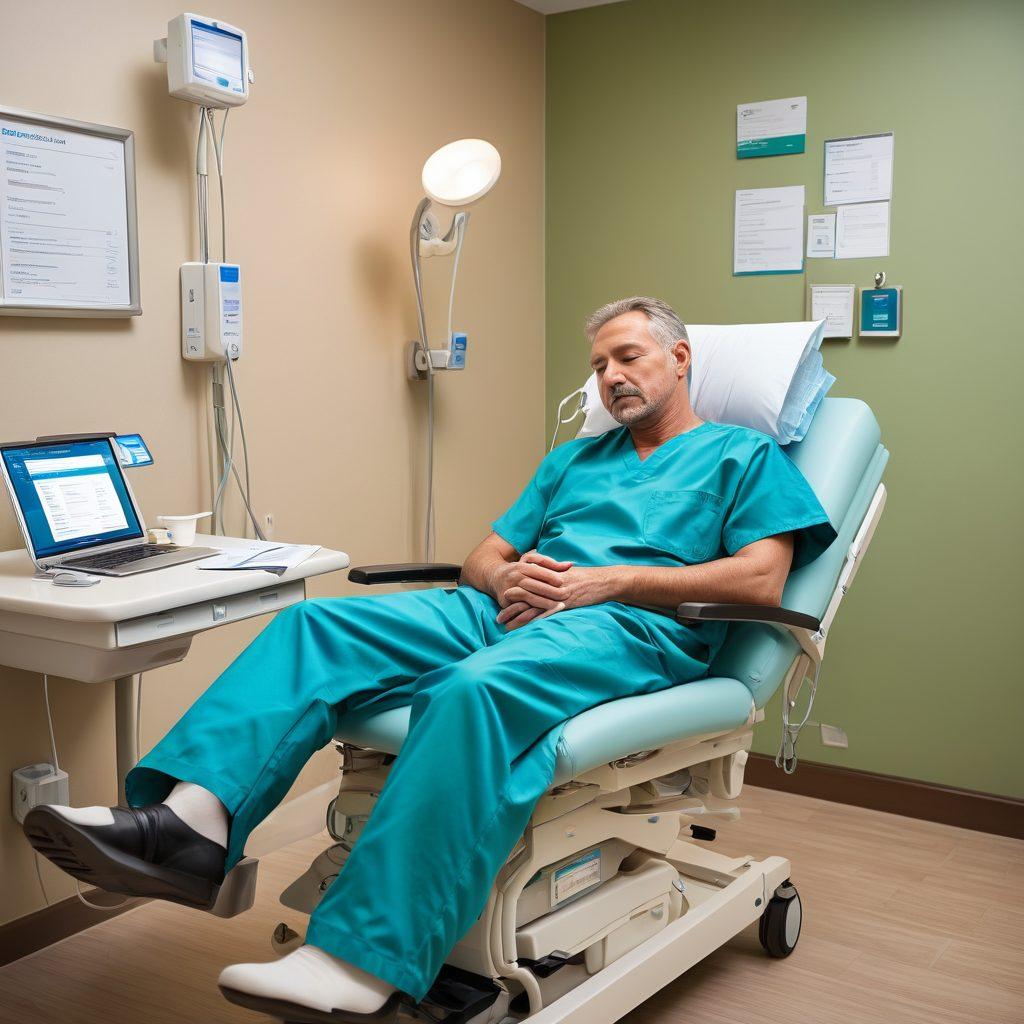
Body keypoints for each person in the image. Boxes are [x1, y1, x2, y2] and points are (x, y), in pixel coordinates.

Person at [25, 296, 836, 1024]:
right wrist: (504, 577)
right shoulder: (575, 459)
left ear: (680, 358)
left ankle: (362, 959)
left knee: (474, 691)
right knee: (316, 628)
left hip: (627, 627)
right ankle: (189, 827)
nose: (611, 377)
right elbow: (485, 554)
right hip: (499, 610)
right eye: (598, 365)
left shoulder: (742, 455)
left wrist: (611, 581)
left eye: (628, 357)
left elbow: (760, 580)